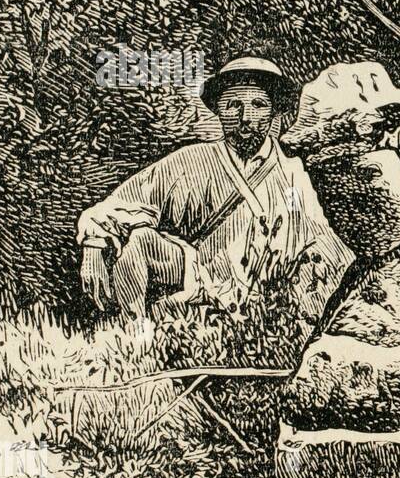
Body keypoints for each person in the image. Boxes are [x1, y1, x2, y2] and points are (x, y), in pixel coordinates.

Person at [77, 56, 351, 320]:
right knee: (139, 241)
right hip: (200, 274)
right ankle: (135, 334)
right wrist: (92, 243)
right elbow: (122, 202)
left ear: (273, 111)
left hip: (264, 287)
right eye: (233, 104)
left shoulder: (292, 173)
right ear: (219, 110)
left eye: (258, 104)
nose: (245, 117)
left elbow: (321, 239)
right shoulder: (192, 160)